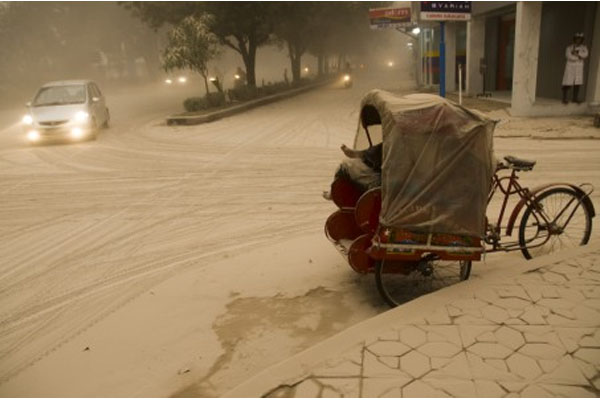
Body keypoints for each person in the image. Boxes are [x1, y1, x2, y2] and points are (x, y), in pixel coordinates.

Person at [562, 32, 589, 104]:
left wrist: (576, 54)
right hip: (570, 66)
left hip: (579, 67)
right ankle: (565, 98)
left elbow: (585, 55)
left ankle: (575, 98)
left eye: (580, 39)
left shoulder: (584, 48)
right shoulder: (569, 48)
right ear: (575, 39)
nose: (578, 40)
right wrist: (578, 58)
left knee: (577, 82)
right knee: (567, 82)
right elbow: (568, 56)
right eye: (577, 39)